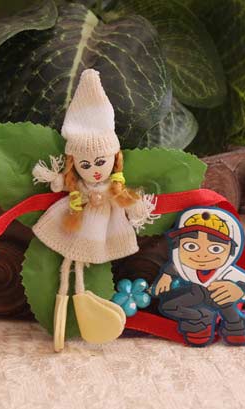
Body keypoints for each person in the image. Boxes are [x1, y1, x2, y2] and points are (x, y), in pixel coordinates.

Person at [31, 69, 158, 352]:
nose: (95, 170)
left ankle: (81, 304)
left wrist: (139, 207)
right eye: (85, 165)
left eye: (101, 162)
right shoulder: (79, 189)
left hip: (98, 230)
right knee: (67, 265)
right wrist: (56, 180)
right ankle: (62, 311)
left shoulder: (113, 188)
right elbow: (59, 184)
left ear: (114, 158)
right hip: (74, 222)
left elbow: (129, 201)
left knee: (77, 268)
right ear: (74, 164)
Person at [153, 207, 245, 346]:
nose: (201, 255)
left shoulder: (227, 272)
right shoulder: (185, 267)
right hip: (195, 294)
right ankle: (199, 320)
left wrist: (238, 290)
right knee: (168, 306)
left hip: (219, 295)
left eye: (215, 248)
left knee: (226, 303)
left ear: (231, 250)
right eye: (191, 246)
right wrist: (166, 276)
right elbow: (176, 268)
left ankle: (236, 326)